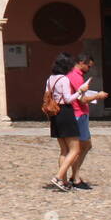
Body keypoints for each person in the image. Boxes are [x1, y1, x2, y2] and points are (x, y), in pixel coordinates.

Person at [47, 52, 91, 192]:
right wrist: (80, 91)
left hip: (55, 114)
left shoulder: (50, 79)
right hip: (65, 112)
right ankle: (59, 177)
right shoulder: (64, 79)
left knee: (64, 150)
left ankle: (64, 182)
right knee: (75, 149)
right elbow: (68, 99)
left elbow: (47, 95)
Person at [66, 52, 108, 190]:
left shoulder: (72, 75)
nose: (89, 69)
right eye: (88, 66)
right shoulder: (76, 77)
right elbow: (82, 99)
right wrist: (98, 95)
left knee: (81, 147)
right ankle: (74, 178)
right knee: (80, 147)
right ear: (82, 62)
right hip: (79, 114)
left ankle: (73, 176)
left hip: (79, 113)